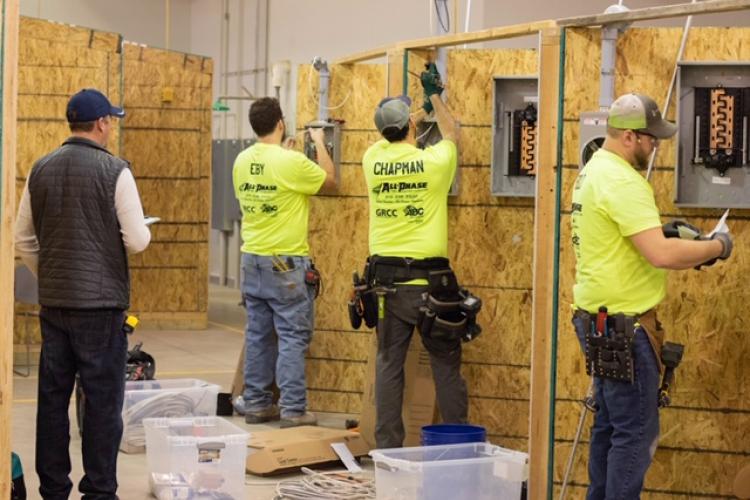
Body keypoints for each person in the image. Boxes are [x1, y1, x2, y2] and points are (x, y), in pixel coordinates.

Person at [570, 93, 733, 499]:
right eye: (650, 139)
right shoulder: (625, 181)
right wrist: (716, 247)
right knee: (636, 434)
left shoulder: (593, 171)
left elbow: (631, 239)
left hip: (597, 319)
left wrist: (667, 232)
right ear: (629, 136)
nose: (654, 146)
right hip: (625, 328)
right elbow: (660, 255)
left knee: (609, 427)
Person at [14, 88, 151, 499]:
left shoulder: (41, 168)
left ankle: (54, 490)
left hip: (55, 305)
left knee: (52, 402)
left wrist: (51, 276)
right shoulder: (116, 171)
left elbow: (23, 238)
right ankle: (99, 491)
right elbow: (138, 240)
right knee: (101, 404)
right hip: (101, 309)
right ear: (103, 124)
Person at [361, 64, 471, 449]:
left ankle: (388, 449)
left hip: (386, 286)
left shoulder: (372, 160)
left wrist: (416, 109)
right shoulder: (434, 163)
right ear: (408, 125)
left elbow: (397, 132)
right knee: (445, 364)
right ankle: (458, 448)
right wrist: (435, 97)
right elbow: (451, 132)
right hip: (430, 286)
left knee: (390, 364)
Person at [233, 97, 336, 428]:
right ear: (280, 124)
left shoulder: (241, 160)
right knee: (292, 335)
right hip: (285, 264)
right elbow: (329, 181)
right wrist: (319, 142)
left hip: (252, 260)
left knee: (259, 334)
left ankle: (257, 403)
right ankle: (293, 409)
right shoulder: (290, 161)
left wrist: (288, 155)